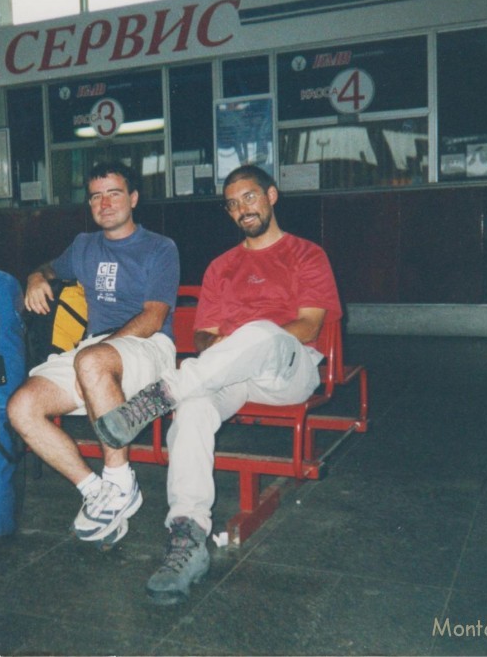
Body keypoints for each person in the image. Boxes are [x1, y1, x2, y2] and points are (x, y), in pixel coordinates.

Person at [94, 165, 343, 605]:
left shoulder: (307, 254)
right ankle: (188, 538)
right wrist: (220, 342)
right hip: (227, 372)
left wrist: (247, 336)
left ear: (271, 195)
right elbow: (203, 338)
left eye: (249, 197)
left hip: (288, 368)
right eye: (232, 203)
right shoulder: (221, 267)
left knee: (262, 332)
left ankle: (157, 397)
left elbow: (307, 326)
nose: (242, 209)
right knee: (193, 409)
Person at [8, 161, 179, 549]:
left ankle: (121, 480)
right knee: (22, 406)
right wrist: (37, 277)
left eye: (114, 193)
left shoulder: (159, 248)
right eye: (96, 196)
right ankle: (97, 491)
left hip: (148, 347)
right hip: (96, 351)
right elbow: (50, 267)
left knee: (91, 360)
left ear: (133, 199)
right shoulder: (84, 245)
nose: (104, 203)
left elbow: (154, 317)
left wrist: (103, 349)